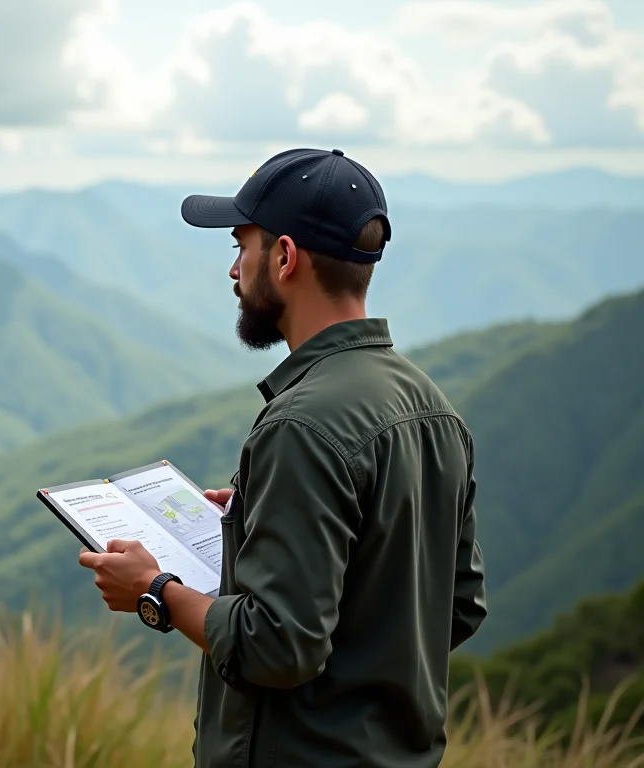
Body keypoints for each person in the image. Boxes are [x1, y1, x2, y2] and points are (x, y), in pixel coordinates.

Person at [77, 148, 487, 767]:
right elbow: (458, 604)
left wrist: (153, 588)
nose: (234, 271)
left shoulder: (302, 424)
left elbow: (277, 647)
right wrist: (262, 518)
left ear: (286, 257)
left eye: (242, 246)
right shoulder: (431, 406)